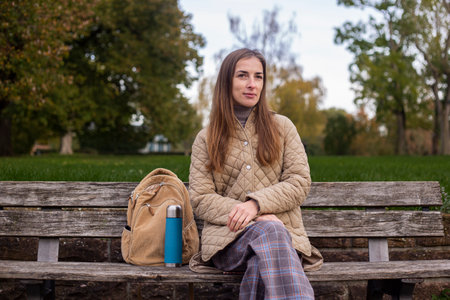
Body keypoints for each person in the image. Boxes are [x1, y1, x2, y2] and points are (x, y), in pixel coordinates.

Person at [189, 48, 323, 299]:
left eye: (258, 77)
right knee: (271, 232)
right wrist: (251, 216)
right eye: (243, 76)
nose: (252, 84)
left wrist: (256, 205)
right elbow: (200, 198)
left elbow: (299, 182)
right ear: (226, 81)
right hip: (228, 243)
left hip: (283, 242)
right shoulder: (206, 138)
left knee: (261, 264)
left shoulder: (282, 127)